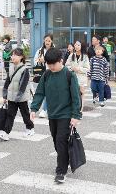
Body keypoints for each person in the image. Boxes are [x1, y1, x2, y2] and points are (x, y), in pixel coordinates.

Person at [30, 48, 81, 184]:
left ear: (61, 61)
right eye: (48, 64)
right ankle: (66, 160)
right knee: (56, 142)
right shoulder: (47, 75)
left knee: (60, 141)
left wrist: (76, 115)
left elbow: (76, 97)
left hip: (66, 114)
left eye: (53, 64)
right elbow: (40, 92)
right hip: (52, 115)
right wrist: (34, 108)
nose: (51, 67)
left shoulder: (69, 75)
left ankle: (61, 171)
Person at [0, 48, 34, 141]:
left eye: (15, 55)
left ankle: (30, 128)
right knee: (10, 114)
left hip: (21, 98)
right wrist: (5, 95)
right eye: (12, 55)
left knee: (25, 114)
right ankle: (6, 133)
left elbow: (23, 85)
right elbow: (7, 82)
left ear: (21, 57)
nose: (12, 57)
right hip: (11, 96)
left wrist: (17, 98)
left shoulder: (24, 69)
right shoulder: (10, 67)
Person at [65, 41, 90, 114]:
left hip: (82, 78)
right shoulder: (71, 55)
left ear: (81, 46)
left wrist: (78, 69)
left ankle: (80, 110)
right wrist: (72, 68)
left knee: (81, 93)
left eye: (78, 45)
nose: (76, 46)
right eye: (75, 45)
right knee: (73, 94)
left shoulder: (85, 56)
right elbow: (66, 65)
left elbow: (87, 68)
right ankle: (74, 109)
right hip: (73, 77)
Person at [33, 34, 54, 118]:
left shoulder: (54, 50)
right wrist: (40, 61)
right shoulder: (39, 51)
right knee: (45, 92)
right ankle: (46, 109)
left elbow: (56, 61)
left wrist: (45, 60)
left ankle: (44, 110)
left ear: (51, 41)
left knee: (48, 92)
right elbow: (35, 62)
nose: (47, 42)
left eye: (49, 41)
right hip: (42, 74)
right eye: (46, 41)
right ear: (44, 41)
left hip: (52, 73)